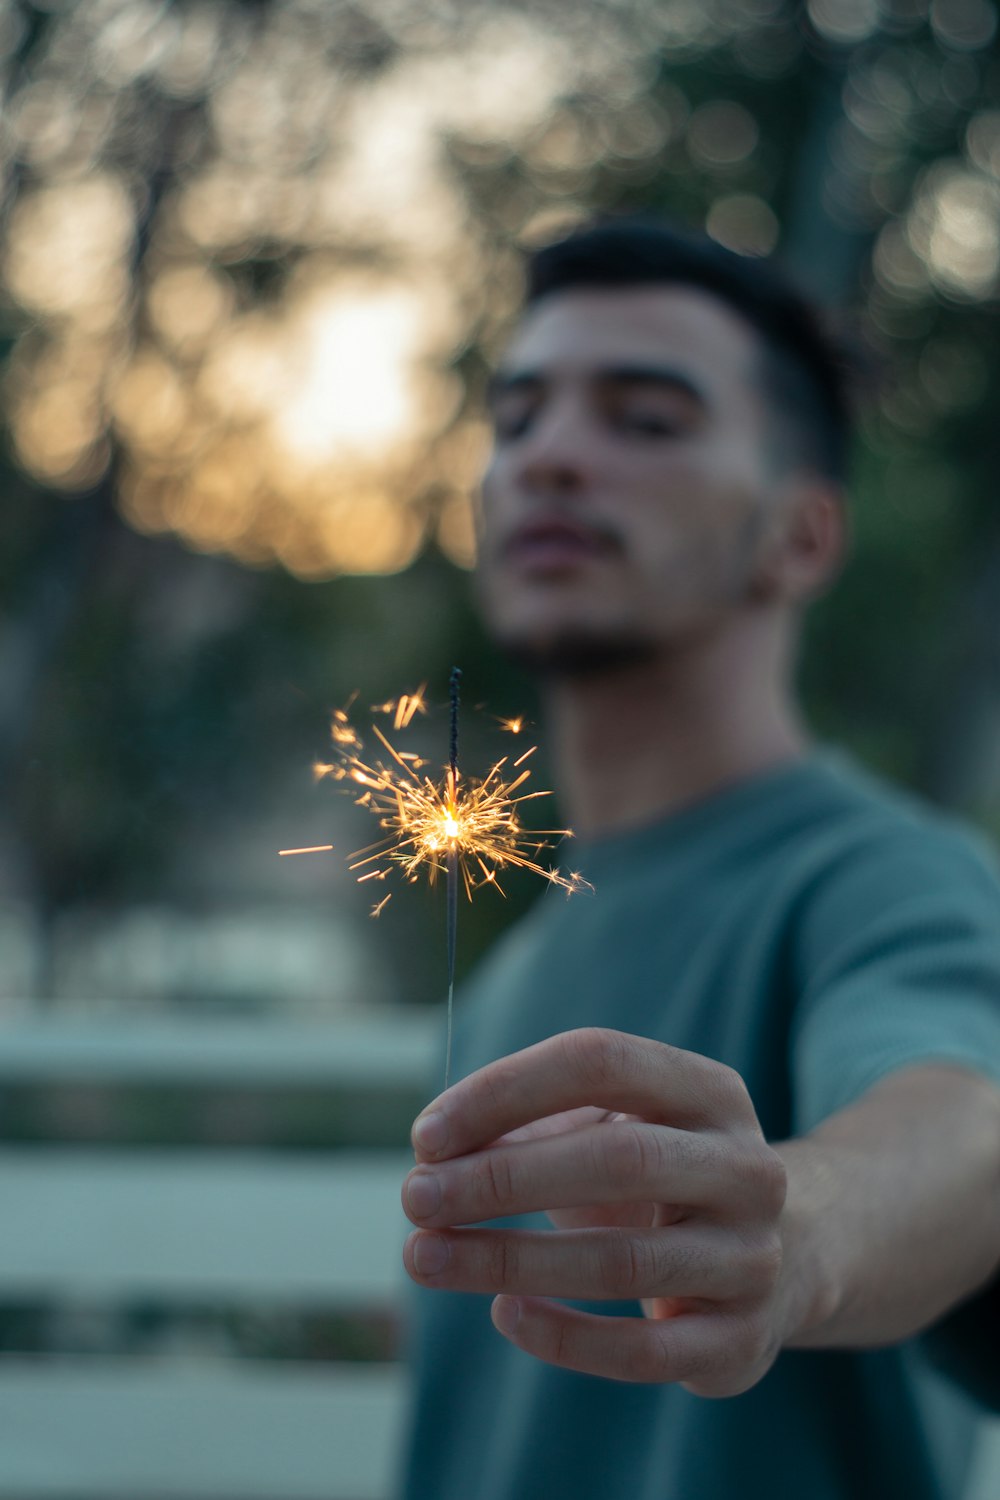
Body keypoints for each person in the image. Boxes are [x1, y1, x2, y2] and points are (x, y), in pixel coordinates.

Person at [396, 218, 1000, 1500]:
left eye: (647, 421)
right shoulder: (521, 962)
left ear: (802, 537)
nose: (550, 457)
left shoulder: (882, 880)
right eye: (516, 421)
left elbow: (965, 1121)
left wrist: (796, 1233)